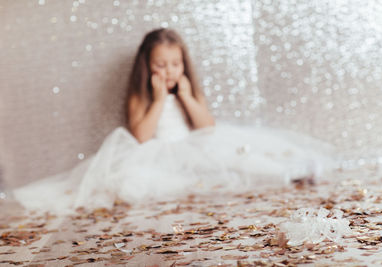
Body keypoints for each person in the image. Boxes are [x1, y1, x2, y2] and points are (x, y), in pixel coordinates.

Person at [13, 28, 335, 215]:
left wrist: (186, 97)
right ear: (147, 66)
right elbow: (140, 136)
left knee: (237, 159)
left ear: (184, 64)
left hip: (194, 147)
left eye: (175, 64)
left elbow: (207, 127)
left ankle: (290, 172)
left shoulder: (186, 88)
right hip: (156, 155)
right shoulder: (141, 95)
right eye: (161, 65)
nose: (169, 71)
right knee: (141, 184)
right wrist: (157, 99)